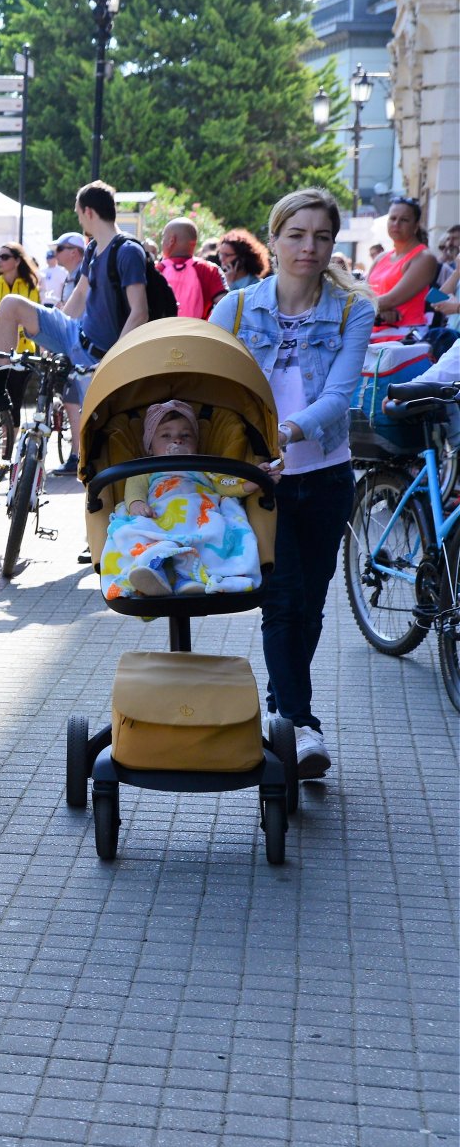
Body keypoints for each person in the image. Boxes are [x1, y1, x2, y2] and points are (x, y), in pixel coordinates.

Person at [212, 185, 374, 781]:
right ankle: (302, 726)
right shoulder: (231, 309)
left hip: (324, 476)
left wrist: (290, 433)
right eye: (297, 234)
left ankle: (282, 709)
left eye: (322, 236)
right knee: (281, 605)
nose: (310, 247)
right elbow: (216, 391)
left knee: (309, 609)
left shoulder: (354, 307)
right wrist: (251, 450)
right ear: (274, 238)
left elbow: (339, 395)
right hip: (258, 482)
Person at [0, 184, 148, 473]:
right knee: (11, 305)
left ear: (88, 212)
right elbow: (79, 298)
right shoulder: (93, 248)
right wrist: (50, 331)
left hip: (103, 355)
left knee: (101, 449)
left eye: (78, 214)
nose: (79, 220)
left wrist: (114, 362)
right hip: (77, 335)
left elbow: (139, 313)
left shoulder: (128, 251)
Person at [100, 402, 262, 598]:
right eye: (166, 435)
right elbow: (134, 489)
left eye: (185, 435)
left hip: (199, 512)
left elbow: (225, 483)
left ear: (196, 444)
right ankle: (154, 573)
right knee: (134, 532)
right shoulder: (145, 468)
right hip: (159, 515)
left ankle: (188, 579)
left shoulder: (205, 466)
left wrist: (249, 484)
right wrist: (137, 504)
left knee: (216, 529)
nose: (177, 440)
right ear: (149, 447)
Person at [370, 196, 439, 331]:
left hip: (404, 340)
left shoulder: (424, 257)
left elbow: (392, 300)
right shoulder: (381, 257)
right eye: (393, 218)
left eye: (404, 220)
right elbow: (363, 294)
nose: (396, 224)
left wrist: (356, 308)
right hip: (371, 336)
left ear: (416, 225)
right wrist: (379, 312)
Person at [157, 217, 225, 317]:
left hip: (162, 331)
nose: (162, 242)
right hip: (198, 331)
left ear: (172, 240)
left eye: (163, 238)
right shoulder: (209, 270)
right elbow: (225, 305)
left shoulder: (157, 269)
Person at [0, 242, 40, 352]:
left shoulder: (31, 288)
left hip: (24, 353)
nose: (0, 260)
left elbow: (37, 321)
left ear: (17, 261)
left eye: (5, 257)